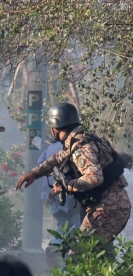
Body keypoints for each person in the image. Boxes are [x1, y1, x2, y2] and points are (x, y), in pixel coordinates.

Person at [17, 103, 131, 243]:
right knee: (99, 254)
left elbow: (94, 178)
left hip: (107, 208)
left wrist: (66, 186)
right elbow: (57, 158)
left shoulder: (81, 147)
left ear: (55, 128)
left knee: (80, 253)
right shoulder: (78, 141)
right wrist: (34, 173)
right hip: (112, 206)